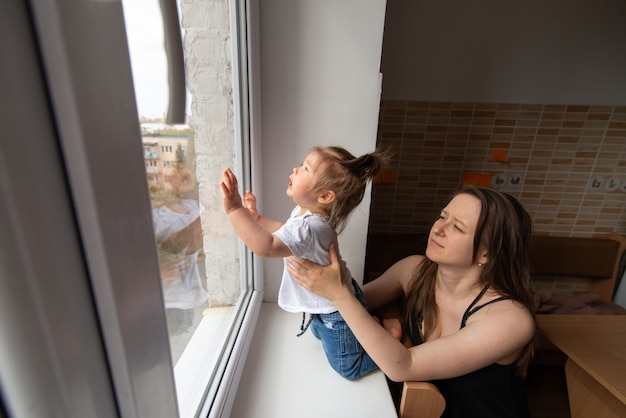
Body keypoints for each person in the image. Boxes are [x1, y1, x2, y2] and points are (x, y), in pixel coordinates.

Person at [287, 186, 537, 417]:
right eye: (442, 216)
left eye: (457, 227)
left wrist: (339, 294)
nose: (438, 228)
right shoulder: (414, 270)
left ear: (487, 253)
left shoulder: (511, 319)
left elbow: (403, 366)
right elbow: (351, 307)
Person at [220, 145, 391, 380]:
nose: (295, 169)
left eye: (305, 168)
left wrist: (234, 209)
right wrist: (257, 219)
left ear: (324, 196)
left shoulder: (309, 227)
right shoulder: (307, 215)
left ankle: (388, 335)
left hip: (335, 313)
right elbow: (283, 232)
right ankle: (366, 328)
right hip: (330, 302)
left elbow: (266, 246)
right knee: (320, 336)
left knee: (347, 368)